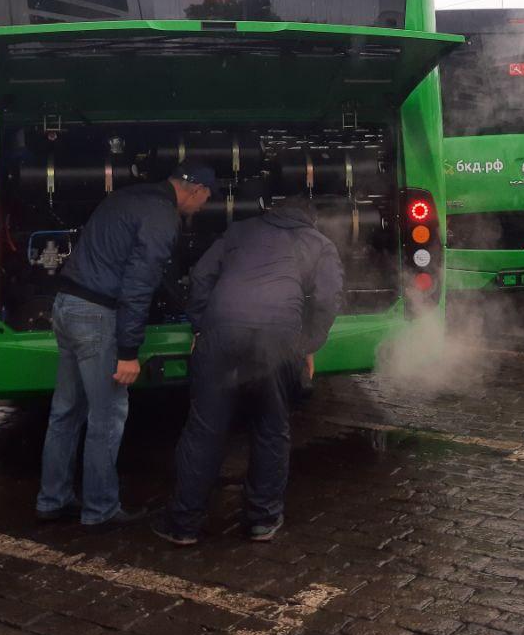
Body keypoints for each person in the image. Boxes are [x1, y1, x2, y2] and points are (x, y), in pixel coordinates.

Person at [153, 196, 344, 545]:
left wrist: (200, 326)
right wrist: (307, 345)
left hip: (222, 332)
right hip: (276, 338)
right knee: (271, 428)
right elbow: (328, 300)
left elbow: (200, 276)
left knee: (204, 428)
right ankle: (261, 520)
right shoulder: (318, 243)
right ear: (310, 219)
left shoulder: (241, 229)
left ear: (271, 212)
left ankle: (183, 524)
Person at [35, 164, 215, 530]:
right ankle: (100, 509)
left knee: (65, 411)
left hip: (67, 306)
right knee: (107, 416)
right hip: (97, 317)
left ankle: (52, 499)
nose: (203, 209)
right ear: (194, 190)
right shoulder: (162, 216)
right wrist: (128, 351)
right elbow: (138, 285)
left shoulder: (127, 197)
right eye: (206, 200)